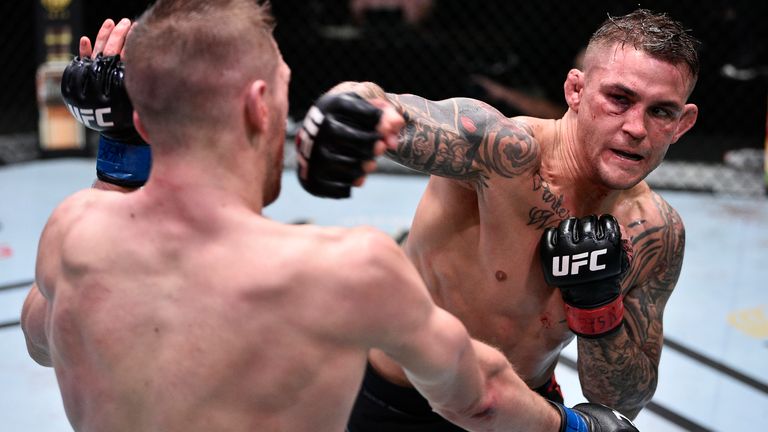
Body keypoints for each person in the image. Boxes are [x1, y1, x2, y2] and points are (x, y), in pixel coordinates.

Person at [20, 1, 637, 431]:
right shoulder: (344, 270)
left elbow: (47, 341)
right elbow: (482, 401)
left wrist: (121, 155)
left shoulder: (75, 231)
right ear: (262, 105)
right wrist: (577, 426)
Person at [297, 8, 699, 431]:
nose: (636, 127)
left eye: (661, 112)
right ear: (576, 91)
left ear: (683, 124)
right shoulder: (500, 151)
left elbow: (622, 401)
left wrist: (598, 306)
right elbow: (389, 109)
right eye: (619, 99)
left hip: (518, 409)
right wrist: (349, 108)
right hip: (403, 399)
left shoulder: (657, 230)